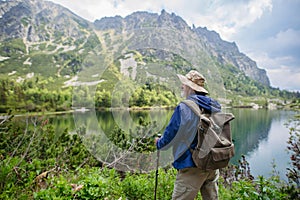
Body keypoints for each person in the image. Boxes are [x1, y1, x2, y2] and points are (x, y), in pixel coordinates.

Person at [155, 70, 222, 200]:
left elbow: (170, 135)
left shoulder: (184, 107)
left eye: (184, 84)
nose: (182, 87)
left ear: (190, 88)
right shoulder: (213, 106)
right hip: (212, 162)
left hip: (191, 164)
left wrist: (159, 143)